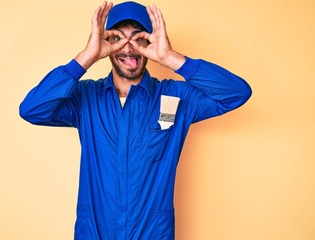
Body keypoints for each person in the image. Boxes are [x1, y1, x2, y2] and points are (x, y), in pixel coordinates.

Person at [19, 1, 252, 239]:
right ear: (106, 43)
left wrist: (170, 58)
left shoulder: (175, 97)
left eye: (139, 39)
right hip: (95, 232)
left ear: (151, 43)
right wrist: (87, 57)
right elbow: (32, 110)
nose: (129, 48)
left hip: (152, 233)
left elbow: (236, 93)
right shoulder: (84, 98)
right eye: (118, 38)